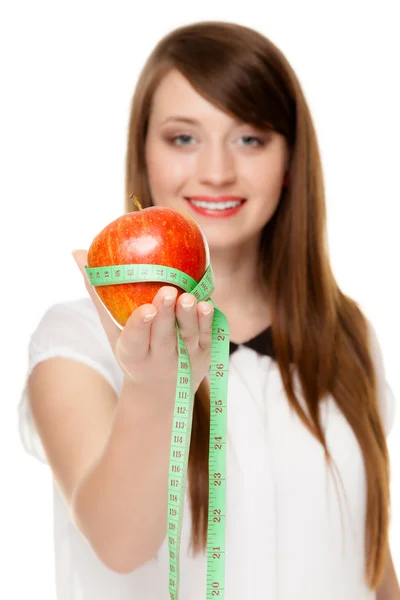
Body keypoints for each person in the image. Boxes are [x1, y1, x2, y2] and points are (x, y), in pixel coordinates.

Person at [18, 20, 398, 600]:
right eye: (183, 138)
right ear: (144, 154)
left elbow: (371, 565)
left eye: (250, 138)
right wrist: (153, 385)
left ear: (291, 160)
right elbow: (119, 546)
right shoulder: (76, 343)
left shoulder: (348, 335)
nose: (218, 171)